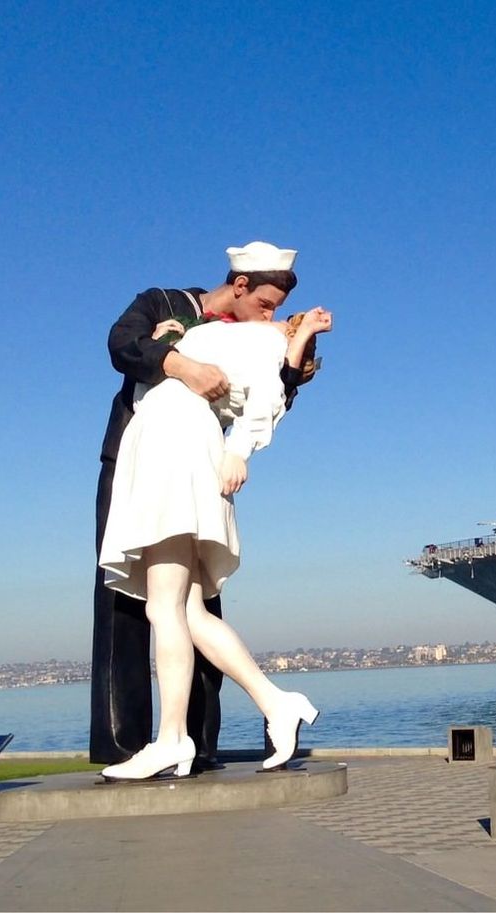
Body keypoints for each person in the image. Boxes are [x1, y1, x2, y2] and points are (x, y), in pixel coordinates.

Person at [92, 241, 319, 767]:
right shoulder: (185, 315)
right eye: (267, 305)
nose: (274, 317)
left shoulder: (261, 340)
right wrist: (174, 352)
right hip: (157, 453)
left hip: (174, 452)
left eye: (281, 314)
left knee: (164, 605)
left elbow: (271, 396)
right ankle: (274, 702)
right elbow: (122, 344)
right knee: (185, 608)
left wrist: (240, 448)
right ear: (239, 286)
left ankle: (175, 739)